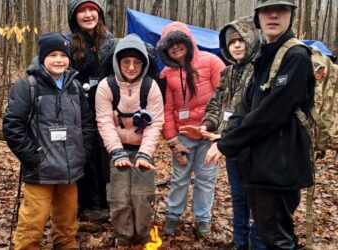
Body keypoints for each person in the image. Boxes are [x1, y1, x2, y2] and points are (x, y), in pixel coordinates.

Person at [205, 0, 315, 249]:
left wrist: (227, 143)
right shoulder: (264, 57)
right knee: (269, 232)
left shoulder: (295, 56)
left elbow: (272, 113)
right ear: (258, 17)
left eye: (282, 9)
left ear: (291, 15)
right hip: (258, 162)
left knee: (276, 239)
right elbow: (244, 107)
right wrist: (224, 136)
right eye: (267, 10)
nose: (273, 15)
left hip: (280, 164)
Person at [3, 32, 95, 249]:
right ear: (43, 57)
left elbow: (88, 124)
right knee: (33, 223)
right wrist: (34, 158)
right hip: (40, 171)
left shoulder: (74, 86)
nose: (58, 60)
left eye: (63, 55)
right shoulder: (28, 86)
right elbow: (12, 126)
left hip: (70, 170)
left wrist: (82, 154)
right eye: (52, 54)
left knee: (67, 224)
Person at [201, 17, 265, 250]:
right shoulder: (227, 72)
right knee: (238, 197)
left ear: (251, 39)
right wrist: (208, 124)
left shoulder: (260, 70)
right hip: (229, 145)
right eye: (231, 42)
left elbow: (254, 112)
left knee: (256, 200)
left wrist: (227, 136)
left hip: (253, 148)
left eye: (241, 40)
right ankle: (240, 242)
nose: (236, 45)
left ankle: (257, 244)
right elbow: (216, 103)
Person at [156, 21, 225, 237]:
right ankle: (172, 216)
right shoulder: (166, 74)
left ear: (187, 41)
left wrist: (217, 134)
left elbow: (225, 99)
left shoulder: (212, 61)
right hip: (183, 136)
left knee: (206, 178)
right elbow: (167, 110)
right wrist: (172, 142)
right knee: (179, 178)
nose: (175, 47)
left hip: (207, 135)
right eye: (170, 45)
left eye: (178, 42)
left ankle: (203, 219)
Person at [95, 34, 164, 247]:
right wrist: (116, 151)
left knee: (143, 196)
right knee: (119, 196)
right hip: (117, 149)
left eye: (137, 62)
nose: (132, 67)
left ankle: (143, 235)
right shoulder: (106, 86)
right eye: (126, 62)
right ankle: (123, 235)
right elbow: (104, 121)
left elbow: (155, 123)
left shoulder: (151, 86)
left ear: (143, 64)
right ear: (117, 62)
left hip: (143, 149)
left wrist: (145, 153)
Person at [67, 0, 115, 221]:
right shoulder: (68, 44)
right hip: (80, 109)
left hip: (107, 107)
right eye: (82, 11)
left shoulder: (111, 42)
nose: (87, 15)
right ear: (74, 17)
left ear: (99, 14)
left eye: (91, 10)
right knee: (84, 153)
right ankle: (86, 203)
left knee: (104, 154)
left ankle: (105, 201)